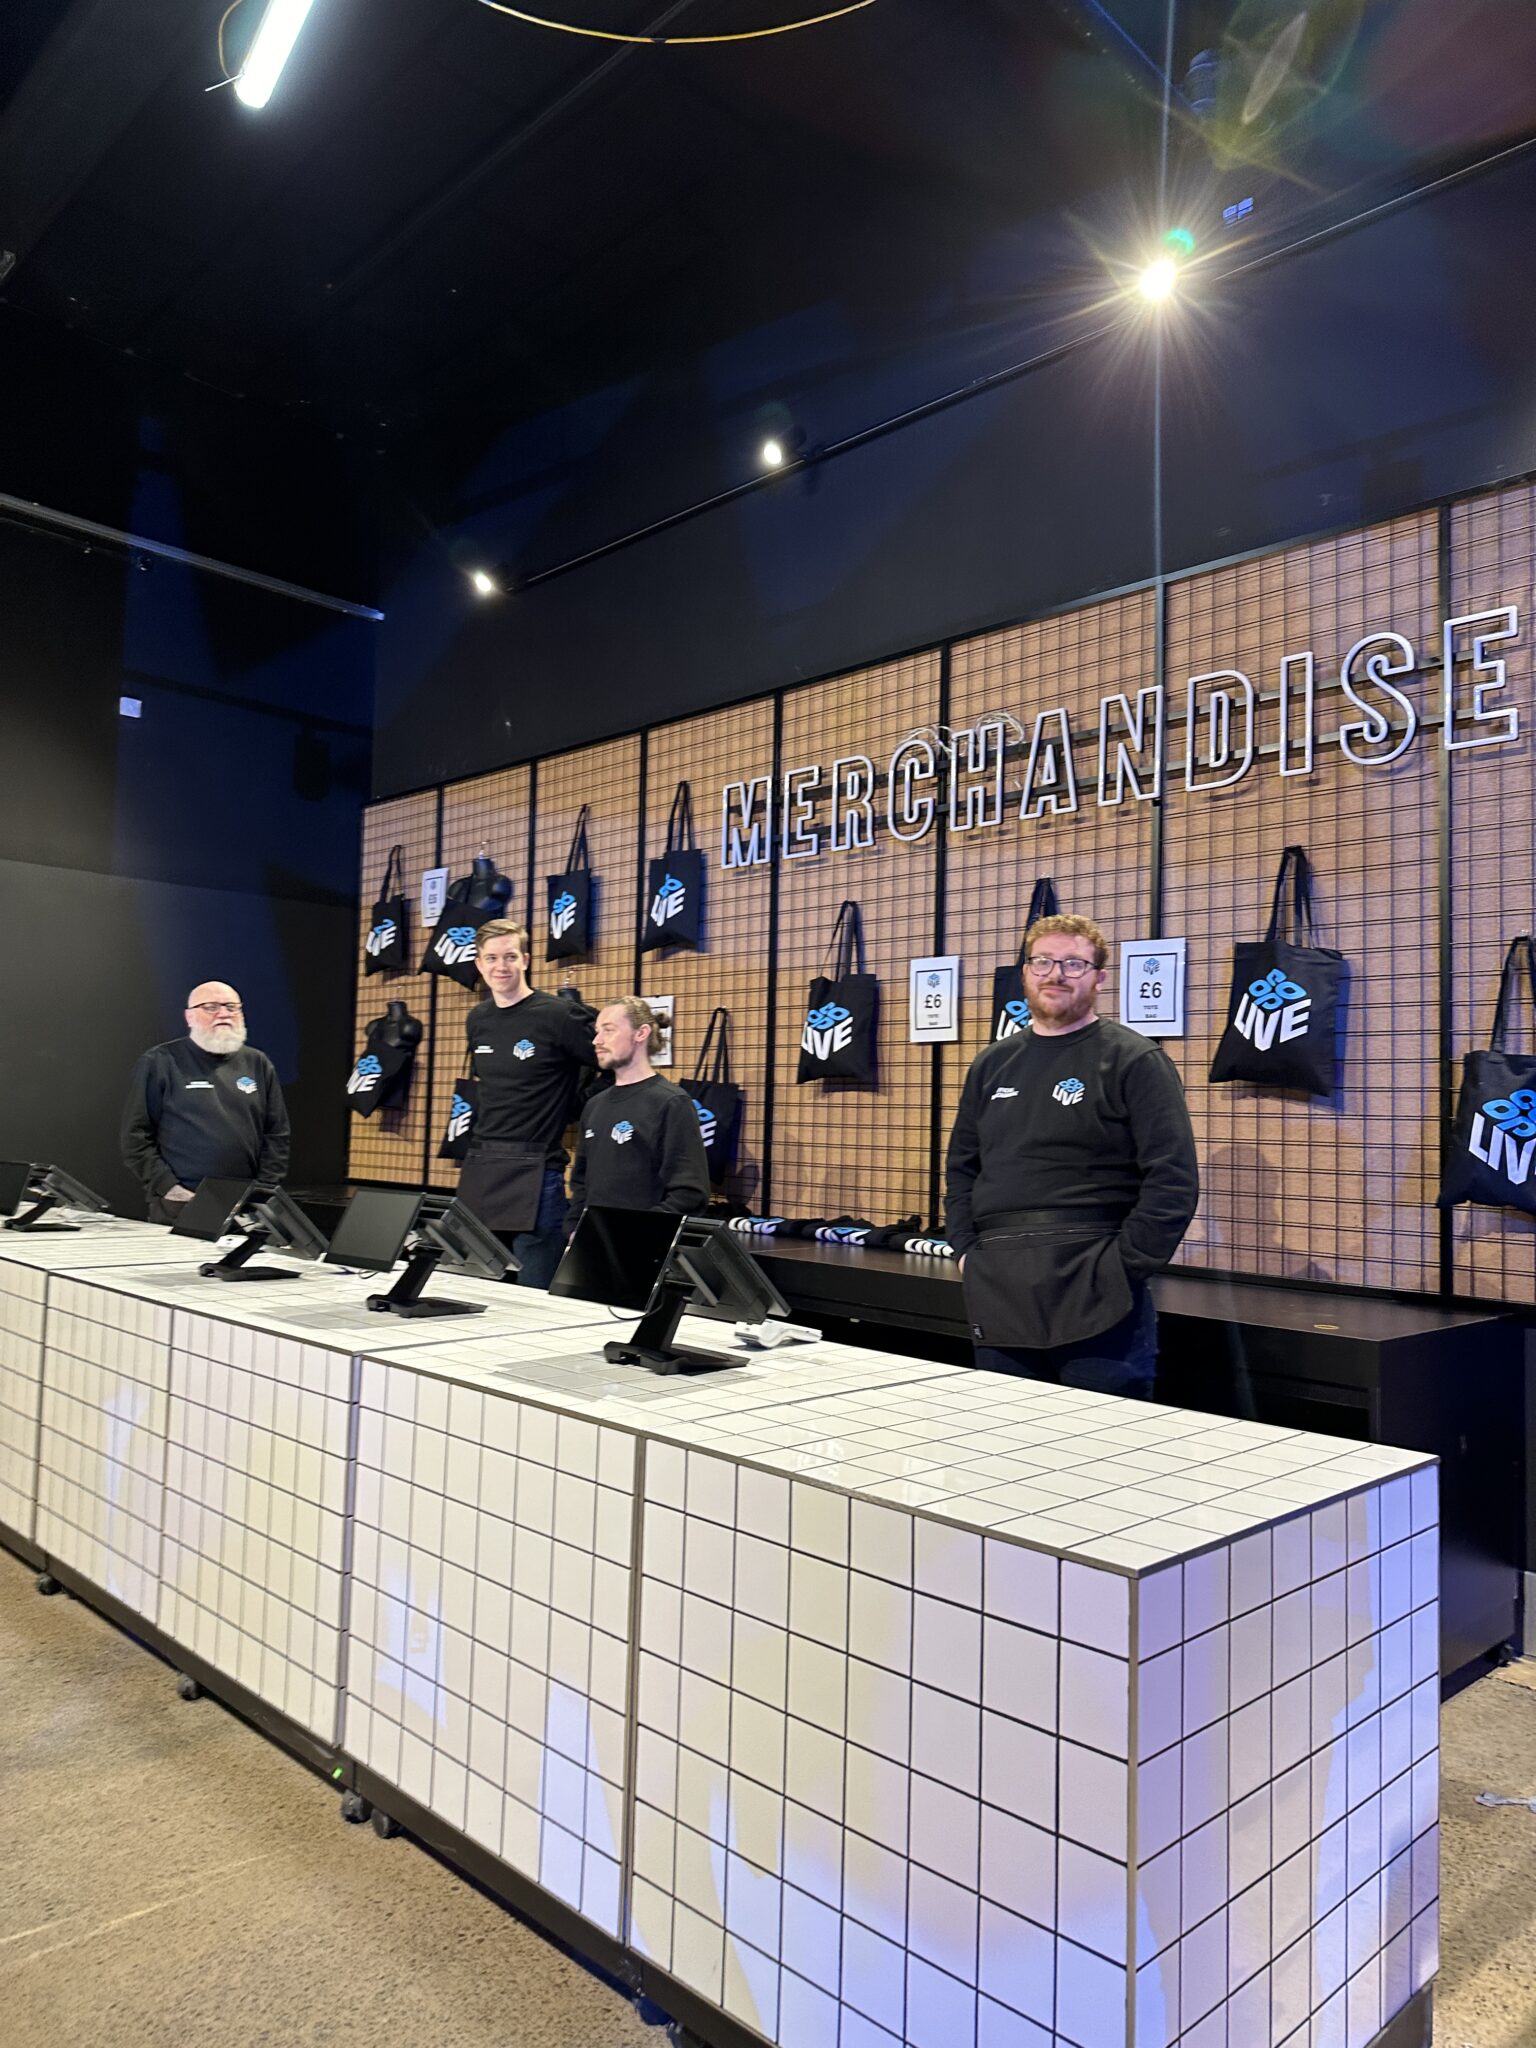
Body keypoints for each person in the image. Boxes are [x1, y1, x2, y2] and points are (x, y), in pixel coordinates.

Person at [945, 912, 1198, 1394]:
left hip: (1099, 1289)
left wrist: (1124, 1266)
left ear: (1099, 978)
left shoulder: (1135, 1060)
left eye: (1074, 964)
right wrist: (966, 1254)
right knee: (1003, 1436)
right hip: (999, 1288)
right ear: (1025, 972)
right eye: (1043, 961)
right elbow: (962, 1169)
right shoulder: (992, 1065)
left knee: (1103, 1440)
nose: (1056, 974)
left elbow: (1173, 1179)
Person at [456, 920, 597, 1287]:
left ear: (526, 960)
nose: (500, 966)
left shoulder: (559, 1015)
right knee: (475, 1290)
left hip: (539, 1168)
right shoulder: (477, 1019)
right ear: (479, 964)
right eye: (491, 958)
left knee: (534, 1295)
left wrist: (579, 1104)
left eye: (510, 956)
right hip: (482, 1165)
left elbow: (614, 1059)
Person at [121, 982, 290, 1224]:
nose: (223, 1014)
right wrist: (170, 1188)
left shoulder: (258, 1063)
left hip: (246, 1208)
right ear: (189, 1016)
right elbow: (135, 1137)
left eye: (231, 1007)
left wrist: (262, 1191)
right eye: (211, 1007)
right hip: (181, 1204)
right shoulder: (160, 1061)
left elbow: (277, 1134)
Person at [568, 997, 710, 1230]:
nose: (597, 1040)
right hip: (594, 1242)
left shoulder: (671, 1103)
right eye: (597, 1031)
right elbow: (581, 1183)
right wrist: (575, 1228)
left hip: (642, 1245)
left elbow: (689, 1193)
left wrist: (638, 1233)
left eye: (608, 1030)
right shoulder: (594, 1105)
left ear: (641, 1033)